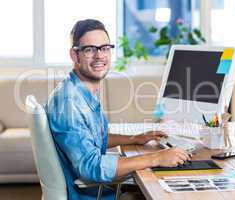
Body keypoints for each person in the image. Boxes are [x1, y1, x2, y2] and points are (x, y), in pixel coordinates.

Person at [46, 19, 191, 200]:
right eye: (90, 49)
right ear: (75, 55)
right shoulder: (70, 103)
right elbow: (92, 167)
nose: (99, 56)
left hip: (102, 191)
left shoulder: (82, 91)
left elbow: (93, 139)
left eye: (104, 48)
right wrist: (156, 158)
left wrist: (135, 138)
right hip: (93, 195)